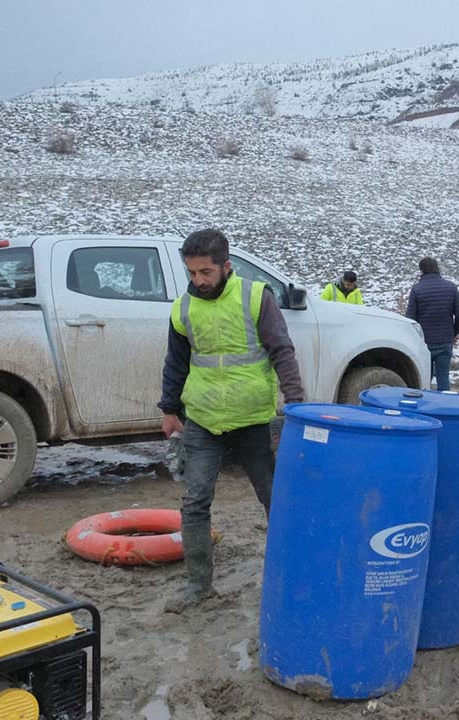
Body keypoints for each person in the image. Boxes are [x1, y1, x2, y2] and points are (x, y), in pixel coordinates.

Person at [158, 228, 305, 613]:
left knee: (274, 498)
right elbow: (176, 362)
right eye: (191, 273)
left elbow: (282, 352)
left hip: (253, 421)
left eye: (205, 272)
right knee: (194, 502)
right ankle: (198, 585)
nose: (198, 281)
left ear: (226, 266)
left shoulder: (257, 298)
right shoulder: (183, 308)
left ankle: (291, 572)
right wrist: (169, 411)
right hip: (203, 421)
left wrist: (296, 403)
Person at [406, 257, 459, 391]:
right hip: (445, 339)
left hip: (424, 341)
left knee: (425, 376)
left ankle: (425, 404)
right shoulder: (451, 287)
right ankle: (444, 406)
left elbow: (411, 318)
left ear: (421, 271)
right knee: (443, 376)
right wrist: (457, 332)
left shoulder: (417, 289)